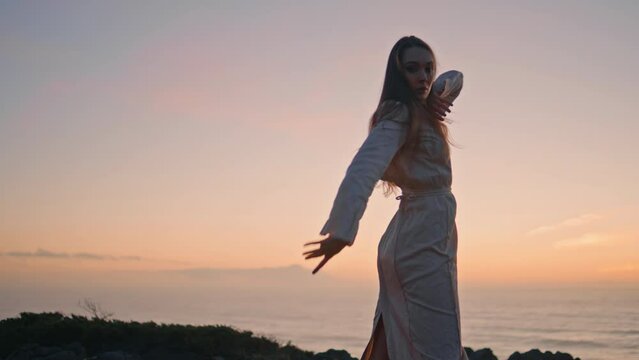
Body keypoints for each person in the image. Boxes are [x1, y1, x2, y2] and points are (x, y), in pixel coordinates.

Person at [303, 35, 468, 360]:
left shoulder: (422, 110)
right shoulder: (398, 115)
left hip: (427, 234)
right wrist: (341, 232)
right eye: (412, 69)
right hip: (419, 242)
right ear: (397, 75)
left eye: (428, 68)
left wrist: (438, 93)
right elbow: (361, 170)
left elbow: (457, 78)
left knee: (401, 339)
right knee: (438, 346)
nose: (423, 76)